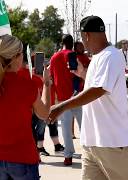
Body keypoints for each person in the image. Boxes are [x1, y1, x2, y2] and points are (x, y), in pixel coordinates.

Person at [49, 15, 128, 180]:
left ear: (87, 35)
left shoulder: (111, 55)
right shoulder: (98, 57)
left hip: (112, 143)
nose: (83, 43)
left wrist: (62, 106)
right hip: (92, 143)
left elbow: (98, 90)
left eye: (83, 38)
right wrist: (82, 73)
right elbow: (98, 86)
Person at [0, 34, 50, 180]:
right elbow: (44, 114)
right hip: (22, 158)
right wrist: (47, 84)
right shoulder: (27, 85)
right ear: (16, 57)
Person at [19, 45, 64, 156]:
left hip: (44, 105)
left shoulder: (40, 74)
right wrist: (45, 82)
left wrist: (46, 80)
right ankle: (40, 148)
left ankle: (48, 148)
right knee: (40, 128)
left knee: (46, 126)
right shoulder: (28, 76)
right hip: (37, 108)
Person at [50, 34, 82, 166]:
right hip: (76, 96)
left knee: (66, 129)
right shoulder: (72, 54)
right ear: (72, 43)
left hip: (61, 98)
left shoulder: (54, 57)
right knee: (84, 126)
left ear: (61, 42)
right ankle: (90, 153)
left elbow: (51, 76)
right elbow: (75, 72)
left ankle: (68, 156)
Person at [71, 41, 91, 139]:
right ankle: (72, 133)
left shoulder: (85, 57)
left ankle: (84, 131)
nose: (82, 48)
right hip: (75, 85)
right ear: (75, 48)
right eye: (79, 47)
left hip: (84, 84)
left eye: (82, 46)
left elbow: (90, 66)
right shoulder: (74, 57)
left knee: (84, 111)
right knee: (73, 111)